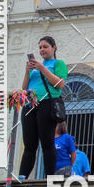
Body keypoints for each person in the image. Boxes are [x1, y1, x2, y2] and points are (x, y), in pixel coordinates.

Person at [18, 36, 68, 179]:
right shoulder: (35, 68)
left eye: (45, 46)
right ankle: (23, 176)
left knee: (47, 143)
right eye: (40, 47)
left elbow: (59, 84)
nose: (42, 50)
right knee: (29, 144)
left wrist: (42, 68)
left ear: (54, 47)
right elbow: (24, 88)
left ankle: (50, 176)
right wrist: (28, 71)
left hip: (47, 104)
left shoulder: (58, 64)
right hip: (30, 104)